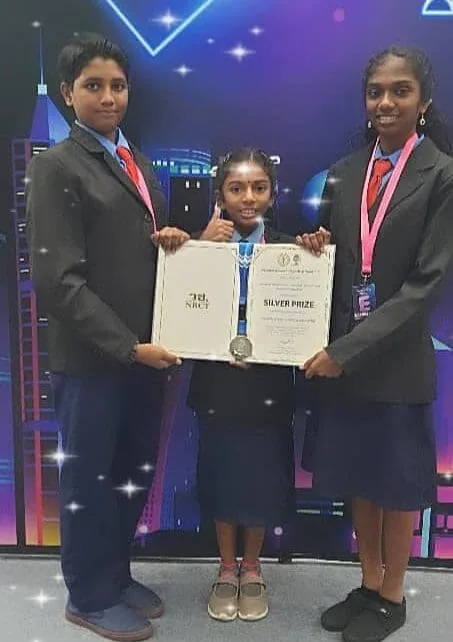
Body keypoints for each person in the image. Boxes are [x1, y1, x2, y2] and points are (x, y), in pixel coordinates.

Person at [26, 34, 189, 642]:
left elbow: (132, 251)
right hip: (96, 358)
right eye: (93, 86)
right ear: (68, 94)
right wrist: (126, 346)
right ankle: (88, 596)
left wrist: (169, 241)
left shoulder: (135, 161)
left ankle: (115, 575)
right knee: (90, 480)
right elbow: (58, 281)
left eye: (117, 85)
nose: (108, 97)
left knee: (130, 471)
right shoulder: (56, 166)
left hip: (145, 356)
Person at [299, 47, 453, 642]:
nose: (386, 103)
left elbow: (425, 285)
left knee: (396, 485)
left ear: (424, 100)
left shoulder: (442, 175)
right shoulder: (345, 171)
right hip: (344, 355)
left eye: (400, 91)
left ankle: (392, 596)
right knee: (359, 478)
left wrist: (348, 351)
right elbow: (338, 258)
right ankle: (367, 582)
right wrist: (315, 245)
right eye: (375, 92)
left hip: (395, 359)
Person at [187, 148, 296, 622]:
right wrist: (198, 246)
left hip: (268, 379)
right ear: (221, 197)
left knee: (261, 477)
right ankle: (225, 567)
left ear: (272, 194)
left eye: (258, 187)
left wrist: (314, 252)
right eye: (236, 188)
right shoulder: (202, 245)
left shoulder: (291, 250)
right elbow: (180, 302)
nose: (248, 198)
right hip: (218, 379)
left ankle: (252, 568)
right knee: (221, 473)